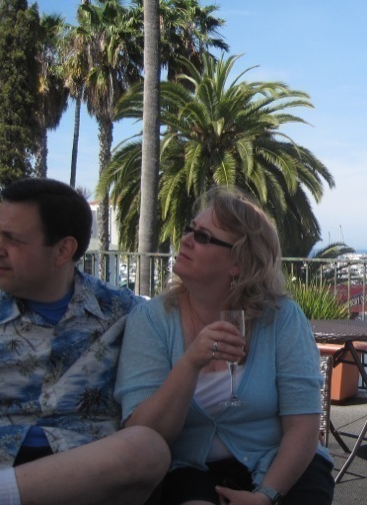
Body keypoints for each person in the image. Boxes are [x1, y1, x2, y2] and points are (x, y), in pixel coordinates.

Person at [114, 186, 334, 505]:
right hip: (193, 470)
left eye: (203, 237)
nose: (185, 239)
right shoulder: (151, 320)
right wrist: (190, 364)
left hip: (283, 468)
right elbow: (141, 432)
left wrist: (266, 496)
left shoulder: (281, 318)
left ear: (238, 264)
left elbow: (303, 426)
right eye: (190, 230)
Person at [0, 178, 169, 505]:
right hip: (3, 458)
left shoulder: (128, 314)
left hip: (89, 475)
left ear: (63, 250)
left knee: (148, 447)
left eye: (12, 239)